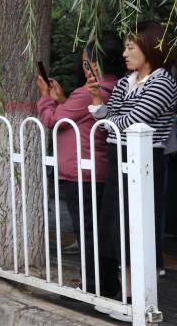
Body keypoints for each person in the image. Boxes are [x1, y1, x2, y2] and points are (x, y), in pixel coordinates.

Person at [88, 21, 177, 321]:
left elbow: (133, 121)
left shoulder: (162, 81)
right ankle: (125, 295)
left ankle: (140, 298)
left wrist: (109, 119)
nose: (125, 54)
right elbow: (108, 120)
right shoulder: (127, 81)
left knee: (139, 225)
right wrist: (99, 102)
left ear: (150, 48)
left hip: (146, 159)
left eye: (130, 48)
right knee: (117, 224)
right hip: (119, 157)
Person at [35, 33, 122, 269]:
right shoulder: (116, 86)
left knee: (88, 233)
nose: (83, 67)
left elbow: (53, 120)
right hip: (99, 170)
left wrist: (45, 97)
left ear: (94, 63)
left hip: (81, 173)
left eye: (85, 62)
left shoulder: (88, 92)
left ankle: (93, 283)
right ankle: (104, 282)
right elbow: (79, 118)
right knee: (100, 232)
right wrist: (63, 100)